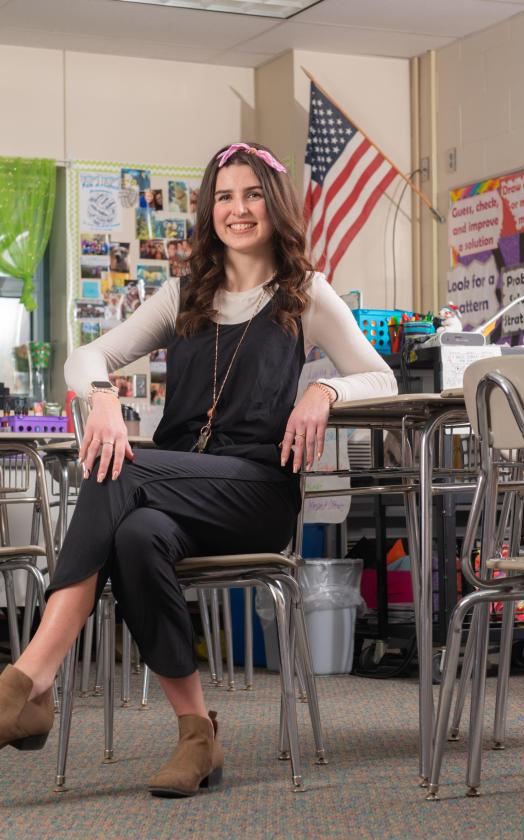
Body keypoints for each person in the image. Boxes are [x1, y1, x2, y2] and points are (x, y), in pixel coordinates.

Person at [0, 141, 397, 797]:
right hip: (178, 488)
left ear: (273, 206)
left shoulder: (306, 293)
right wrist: (101, 396)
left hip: (257, 493)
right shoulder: (184, 294)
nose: (237, 210)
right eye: (223, 197)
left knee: (119, 469)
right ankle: (197, 734)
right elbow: (87, 354)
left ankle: (31, 679)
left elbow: (378, 376)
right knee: (134, 535)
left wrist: (325, 392)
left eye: (250, 196)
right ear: (209, 209)